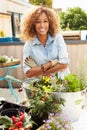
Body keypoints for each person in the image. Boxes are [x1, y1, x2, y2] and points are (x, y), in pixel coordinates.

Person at [21, 6, 70, 79]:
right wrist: (50, 64)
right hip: (42, 86)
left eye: (45, 21)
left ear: (50, 22)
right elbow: (28, 73)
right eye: (38, 22)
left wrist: (43, 72)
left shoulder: (57, 38)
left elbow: (64, 63)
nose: (42, 25)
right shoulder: (29, 45)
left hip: (62, 83)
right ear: (32, 24)